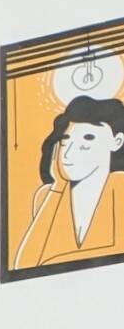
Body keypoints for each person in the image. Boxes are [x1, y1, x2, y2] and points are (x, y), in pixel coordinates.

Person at [13, 94, 124, 272]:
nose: (68, 153)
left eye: (88, 138)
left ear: (116, 142)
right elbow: (25, 265)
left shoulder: (120, 187)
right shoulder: (46, 196)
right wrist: (57, 187)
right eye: (65, 141)